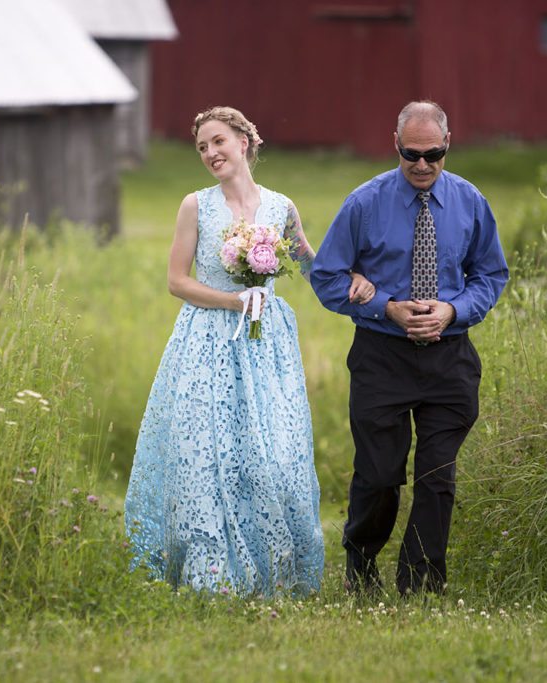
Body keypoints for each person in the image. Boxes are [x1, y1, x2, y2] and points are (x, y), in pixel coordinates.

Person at [124, 106, 375, 596]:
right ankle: (211, 575)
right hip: (206, 339)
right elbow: (177, 281)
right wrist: (233, 300)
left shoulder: (281, 207)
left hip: (266, 345)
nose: (210, 153)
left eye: (218, 141)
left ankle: (272, 570)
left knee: (270, 454)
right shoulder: (195, 205)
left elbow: (312, 268)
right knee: (206, 454)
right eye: (202, 147)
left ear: (244, 141)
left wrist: (358, 284)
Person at [310, 100, 508, 597]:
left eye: (433, 154)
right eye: (411, 154)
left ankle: (421, 583)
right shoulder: (364, 203)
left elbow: (490, 275)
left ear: (448, 145)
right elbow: (327, 276)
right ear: (395, 144)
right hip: (382, 355)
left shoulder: (470, 201)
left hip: (450, 357)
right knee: (379, 475)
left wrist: (454, 311)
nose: (422, 165)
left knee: (437, 476)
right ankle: (360, 563)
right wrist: (385, 306)